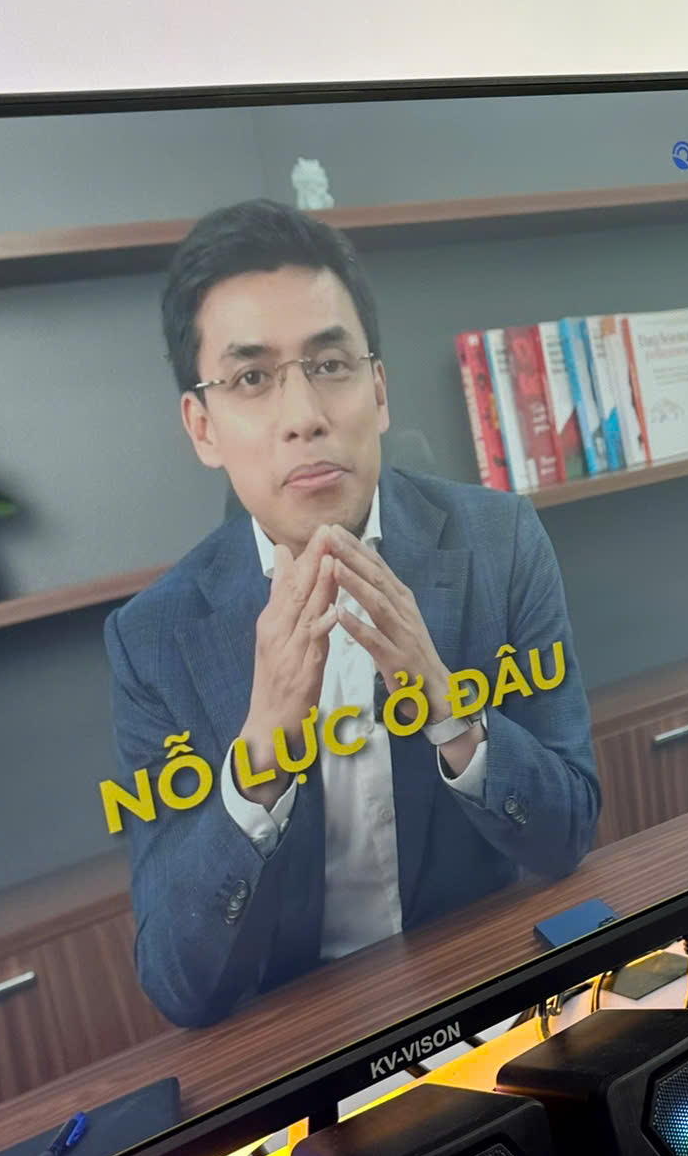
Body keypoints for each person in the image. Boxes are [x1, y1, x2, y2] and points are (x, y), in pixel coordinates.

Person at [106, 200, 600, 1029]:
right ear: (203, 427)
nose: (305, 415)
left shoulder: (501, 542)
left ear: (378, 390)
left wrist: (451, 710)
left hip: (490, 998)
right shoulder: (152, 641)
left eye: (330, 364)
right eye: (252, 379)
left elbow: (569, 832)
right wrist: (259, 757)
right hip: (304, 1050)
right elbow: (180, 985)